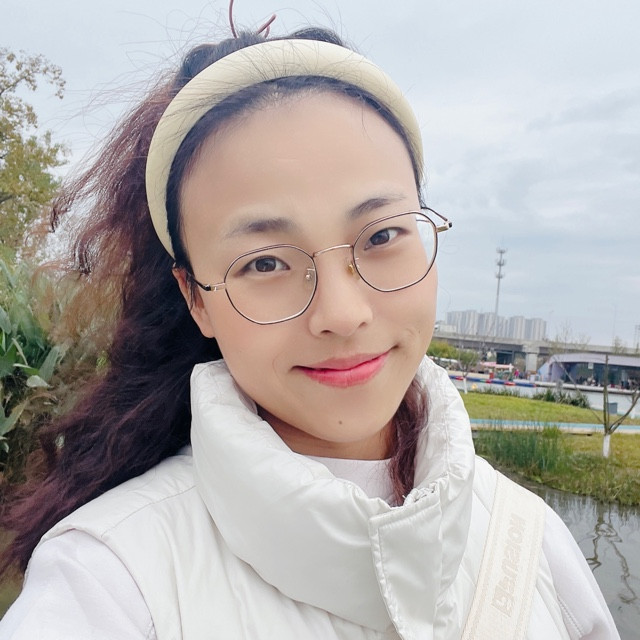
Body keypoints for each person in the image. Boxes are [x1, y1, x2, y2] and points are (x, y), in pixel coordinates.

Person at [0, 15, 619, 640]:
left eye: (383, 235)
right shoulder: (108, 581)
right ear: (196, 299)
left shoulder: (529, 541)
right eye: (265, 263)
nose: (342, 314)